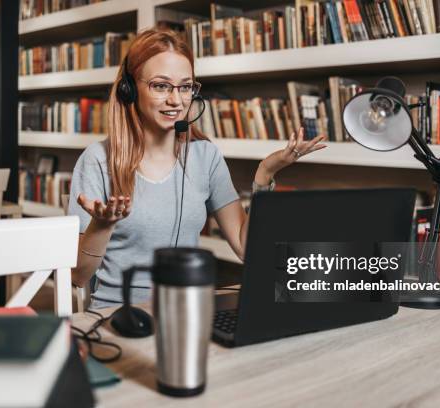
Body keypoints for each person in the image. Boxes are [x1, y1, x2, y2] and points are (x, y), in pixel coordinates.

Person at [69, 29, 326, 308]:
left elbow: (246, 249)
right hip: (119, 316)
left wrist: (264, 175)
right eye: (161, 86)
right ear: (129, 89)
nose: (176, 101)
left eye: (186, 86)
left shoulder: (205, 156)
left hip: (187, 311)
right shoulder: (97, 160)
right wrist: (102, 226)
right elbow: (78, 276)